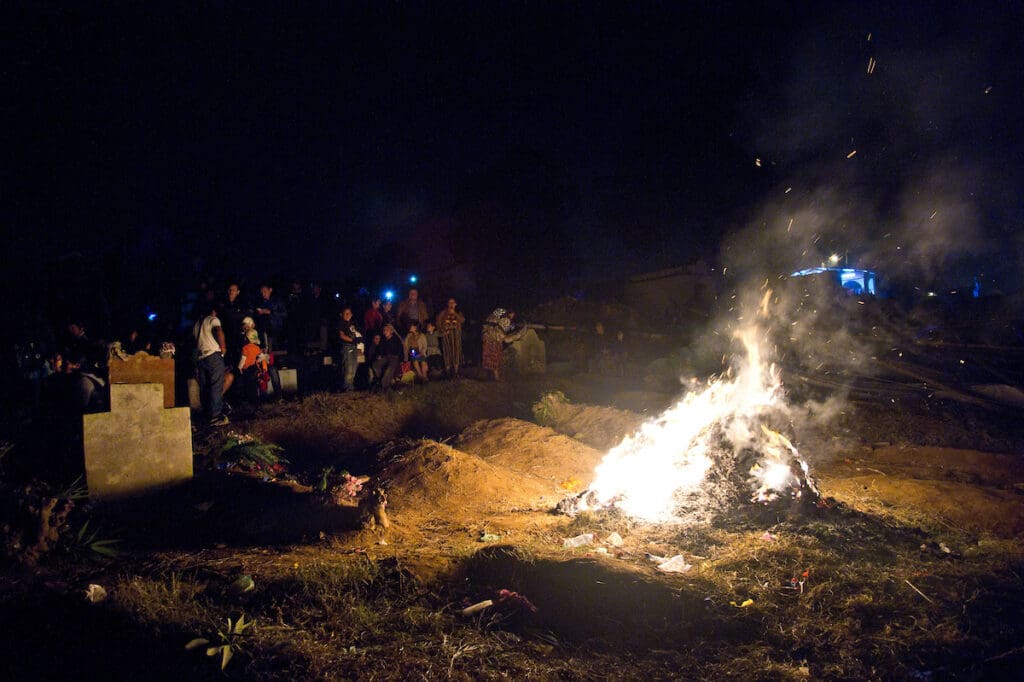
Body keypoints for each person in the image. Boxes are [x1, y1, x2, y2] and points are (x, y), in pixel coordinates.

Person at [193, 302, 229, 426]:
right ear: (213, 311)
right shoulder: (213, 319)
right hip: (213, 355)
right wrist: (223, 348)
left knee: (204, 387)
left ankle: (206, 414)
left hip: (201, 357)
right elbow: (219, 330)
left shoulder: (197, 324)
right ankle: (215, 416)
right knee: (216, 385)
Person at [435, 297, 465, 377]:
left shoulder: (458, 312)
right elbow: (438, 322)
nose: (451, 304)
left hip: (456, 334)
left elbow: (462, 320)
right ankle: (448, 372)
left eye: (453, 303)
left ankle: (455, 372)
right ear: (447, 304)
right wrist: (442, 330)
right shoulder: (443, 313)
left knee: (456, 351)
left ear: (455, 304)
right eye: (450, 303)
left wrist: (454, 313)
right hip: (447, 334)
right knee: (447, 352)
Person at [335, 307, 363, 392]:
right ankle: (347, 389)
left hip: (354, 347)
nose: (348, 315)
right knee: (349, 368)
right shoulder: (341, 323)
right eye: (345, 313)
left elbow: (356, 333)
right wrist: (353, 340)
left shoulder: (352, 323)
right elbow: (341, 335)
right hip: (347, 347)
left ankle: (349, 387)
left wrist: (359, 339)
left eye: (349, 313)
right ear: (342, 314)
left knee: (354, 368)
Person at [253, 283, 286, 352]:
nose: (263, 294)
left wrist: (270, 312)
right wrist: (259, 312)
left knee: (273, 347)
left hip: (275, 328)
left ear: (270, 290)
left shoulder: (277, 300)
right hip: (264, 329)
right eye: (262, 292)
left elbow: (284, 313)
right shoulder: (262, 302)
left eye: (265, 292)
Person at [370, 324, 404, 391]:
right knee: (375, 365)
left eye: (387, 330)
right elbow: (381, 350)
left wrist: (401, 360)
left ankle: (385, 387)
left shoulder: (396, 339)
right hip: (386, 357)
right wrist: (379, 355)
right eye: (384, 330)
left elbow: (400, 350)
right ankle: (380, 380)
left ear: (391, 331)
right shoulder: (383, 340)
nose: (385, 332)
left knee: (389, 370)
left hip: (394, 358)